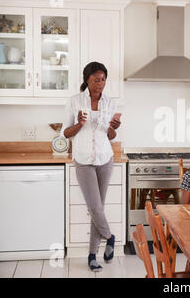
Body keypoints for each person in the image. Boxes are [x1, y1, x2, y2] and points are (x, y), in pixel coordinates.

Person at [62, 61, 121, 272]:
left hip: (105, 158)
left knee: (99, 210)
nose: (100, 83)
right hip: (83, 160)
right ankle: (110, 237)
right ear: (87, 79)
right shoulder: (75, 101)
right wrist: (79, 123)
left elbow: (112, 137)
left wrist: (114, 128)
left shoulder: (109, 102)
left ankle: (92, 255)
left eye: (103, 79)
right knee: (94, 208)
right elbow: (65, 133)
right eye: (96, 80)